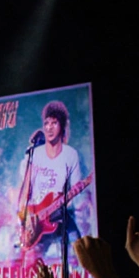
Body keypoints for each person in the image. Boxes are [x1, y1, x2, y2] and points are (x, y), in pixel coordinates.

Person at [16, 100, 88, 260]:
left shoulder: (71, 157)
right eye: (47, 123)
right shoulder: (33, 156)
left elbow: (79, 194)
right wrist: (27, 222)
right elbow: (24, 195)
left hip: (62, 215)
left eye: (55, 123)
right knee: (29, 259)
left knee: (80, 253)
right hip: (39, 221)